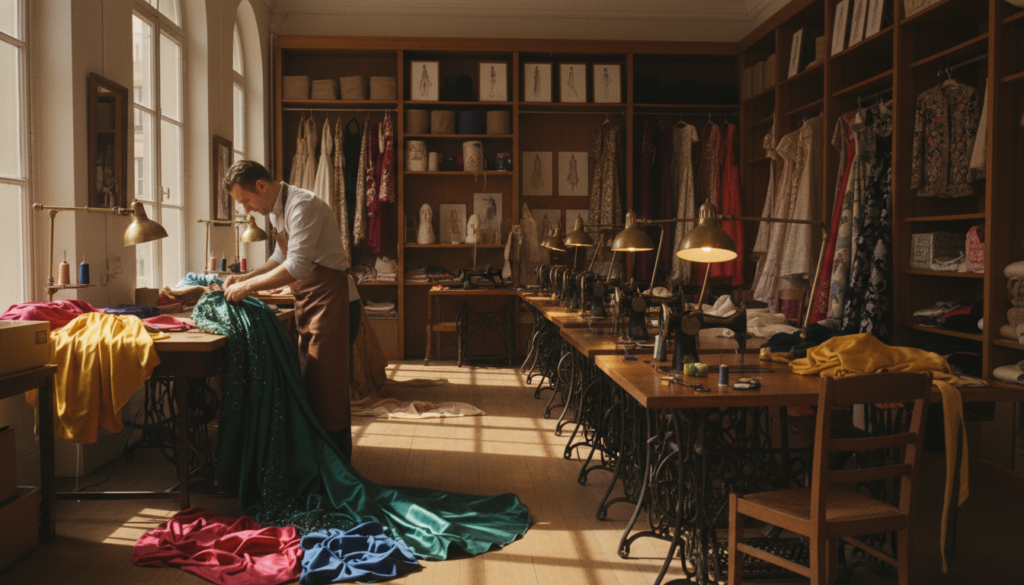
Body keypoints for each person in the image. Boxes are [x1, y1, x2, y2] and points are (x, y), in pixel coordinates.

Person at [221, 160, 360, 459]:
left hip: (335, 303)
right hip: (312, 303)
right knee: (312, 389)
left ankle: (339, 472)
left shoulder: (302, 205)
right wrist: (246, 277)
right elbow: (279, 256)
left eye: (245, 201)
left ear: (261, 185)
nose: (246, 209)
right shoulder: (275, 211)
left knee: (329, 395)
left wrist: (247, 288)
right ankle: (322, 467)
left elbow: (296, 266)